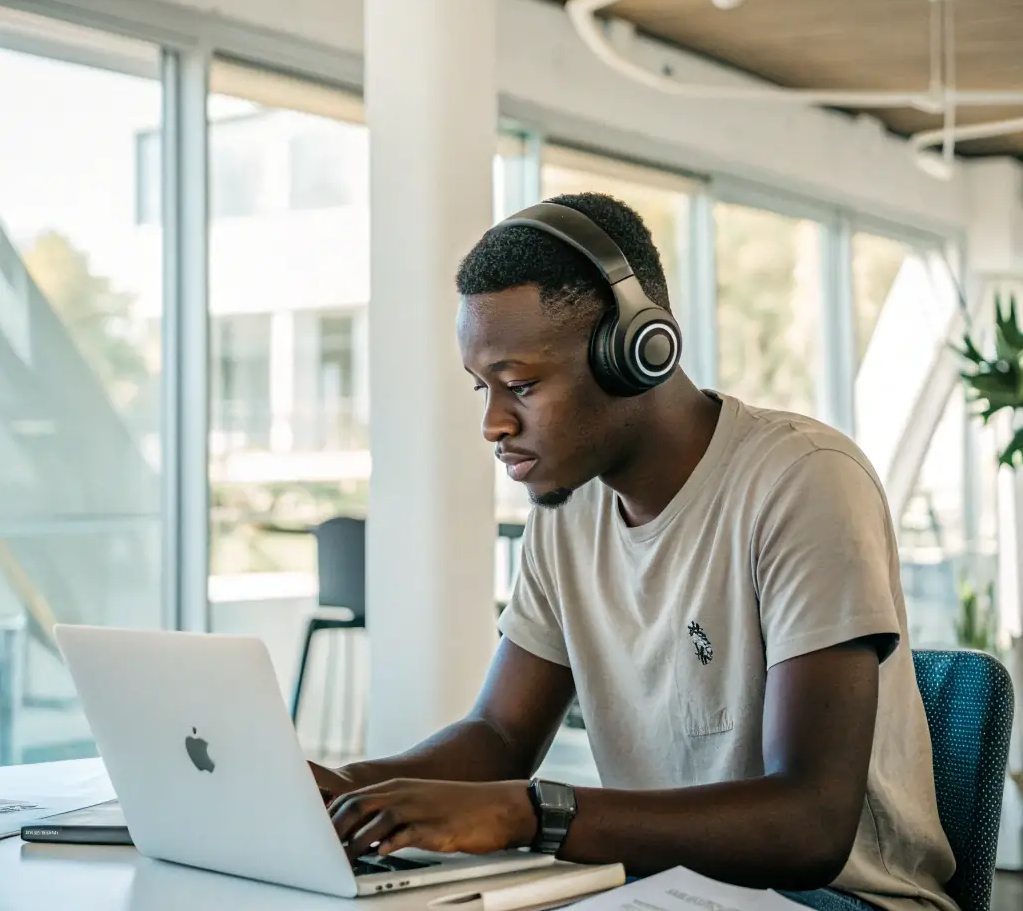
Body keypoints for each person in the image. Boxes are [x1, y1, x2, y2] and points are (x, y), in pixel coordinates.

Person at [312, 193, 957, 911]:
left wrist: (534, 812)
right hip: (663, 891)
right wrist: (344, 792)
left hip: (836, 900)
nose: (494, 423)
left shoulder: (802, 481)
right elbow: (499, 734)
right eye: (483, 388)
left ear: (639, 352)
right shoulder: (569, 512)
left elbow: (808, 825)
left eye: (520, 385)